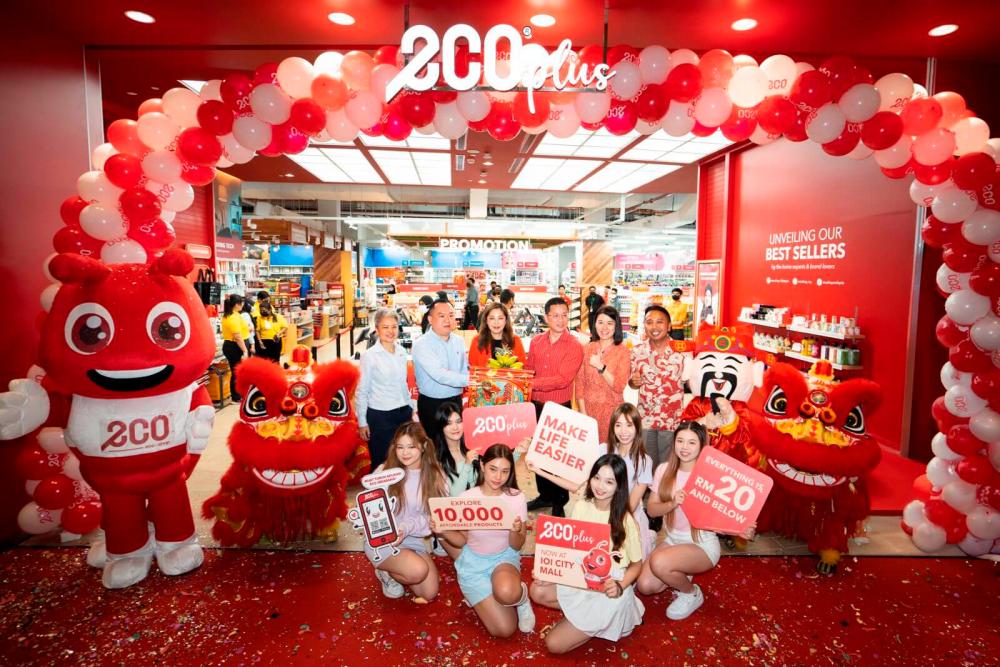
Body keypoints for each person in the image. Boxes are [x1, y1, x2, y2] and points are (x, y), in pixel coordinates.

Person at [637, 421, 755, 619]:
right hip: (672, 539)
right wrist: (672, 503)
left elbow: (722, 513)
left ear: (702, 446)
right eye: (680, 440)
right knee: (645, 585)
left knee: (658, 563)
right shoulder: (664, 470)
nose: (684, 447)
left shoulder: (711, 474)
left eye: (691, 443)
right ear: (674, 442)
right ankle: (678, 566)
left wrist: (740, 529)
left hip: (701, 543)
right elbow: (652, 509)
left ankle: (691, 593)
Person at [529, 454, 645, 654]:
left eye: (609, 481)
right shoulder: (582, 505)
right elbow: (569, 550)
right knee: (536, 590)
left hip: (607, 591)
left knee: (553, 645)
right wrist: (548, 572)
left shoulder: (625, 521)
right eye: (597, 478)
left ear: (619, 486)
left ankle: (597, 621)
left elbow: (637, 564)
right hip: (580, 579)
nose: (600, 486)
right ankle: (580, 619)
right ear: (590, 478)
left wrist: (620, 586)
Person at [434, 445, 535, 637]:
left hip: (504, 558)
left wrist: (514, 530)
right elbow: (462, 540)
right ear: (482, 465)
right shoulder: (467, 497)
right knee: (505, 630)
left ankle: (521, 598)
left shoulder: (516, 498)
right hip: (473, 564)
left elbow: (517, 545)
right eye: (493, 469)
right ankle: (490, 592)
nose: (498, 477)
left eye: (505, 471)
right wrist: (444, 531)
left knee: (507, 593)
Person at [367, 423, 447, 601]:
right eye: (400, 447)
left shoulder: (436, 475)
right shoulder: (384, 472)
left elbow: (433, 516)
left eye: (411, 447)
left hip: (412, 536)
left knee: (429, 593)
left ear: (424, 446)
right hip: (384, 539)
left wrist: (405, 528)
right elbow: (370, 511)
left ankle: (398, 566)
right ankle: (385, 572)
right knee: (417, 571)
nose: (405, 453)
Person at [525, 298, 583, 517]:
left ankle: (560, 500)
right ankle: (545, 495)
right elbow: (530, 370)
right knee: (538, 452)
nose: (561, 320)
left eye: (565, 315)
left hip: (560, 408)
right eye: (556, 315)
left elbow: (563, 379)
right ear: (547, 316)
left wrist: (531, 384)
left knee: (558, 456)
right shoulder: (536, 341)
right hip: (535, 405)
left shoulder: (575, 345)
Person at [629, 305, 686, 474]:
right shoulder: (637, 351)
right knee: (647, 461)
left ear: (669, 326)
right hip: (646, 417)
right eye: (649, 322)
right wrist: (633, 382)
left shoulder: (682, 352)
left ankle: (665, 495)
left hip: (672, 419)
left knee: (669, 465)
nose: (654, 327)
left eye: (660, 322)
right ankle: (646, 494)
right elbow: (632, 383)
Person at [356, 308, 415, 471]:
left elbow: (402, 384)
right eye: (385, 327)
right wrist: (362, 421)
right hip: (380, 416)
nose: (390, 331)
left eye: (394, 326)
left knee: (404, 460)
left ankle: (401, 495)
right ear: (377, 329)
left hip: (403, 414)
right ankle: (381, 495)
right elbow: (362, 390)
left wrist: (411, 406)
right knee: (382, 462)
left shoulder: (402, 352)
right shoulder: (370, 356)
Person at [412, 299, 470, 442]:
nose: (447, 320)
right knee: (435, 446)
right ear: (430, 319)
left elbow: (464, 369)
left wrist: (472, 377)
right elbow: (439, 374)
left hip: (456, 401)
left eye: (451, 315)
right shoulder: (422, 344)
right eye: (441, 316)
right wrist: (472, 380)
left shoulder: (459, 341)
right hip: (432, 404)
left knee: (456, 444)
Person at [606, 404, 655, 557]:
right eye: (618, 425)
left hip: (627, 519)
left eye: (629, 425)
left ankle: (649, 538)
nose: (623, 431)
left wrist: (609, 525)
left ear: (637, 428)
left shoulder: (644, 461)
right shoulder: (603, 450)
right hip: (603, 513)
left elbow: (631, 505)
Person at [576, 305, 630, 439]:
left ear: (616, 325)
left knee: (609, 455)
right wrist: (583, 415)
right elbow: (580, 384)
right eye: (600, 322)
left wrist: (601, 367)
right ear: (594, 324)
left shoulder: (623, 351)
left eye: (609, 323)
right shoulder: (587, 349)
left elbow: (619, 386)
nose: (604, 328)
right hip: (587, 411)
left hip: (612, 414)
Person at [468, 302, 526, 367]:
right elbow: (472, 369)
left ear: (506, 320)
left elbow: (523, 367)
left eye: (500, 318)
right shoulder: (477, 341)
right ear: (486, 321)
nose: (496, 322)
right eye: (492, 318)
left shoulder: (515, 340)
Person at [221, 294, 249, 402]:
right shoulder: (232, 317)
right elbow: (237, 336)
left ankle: (239, 393)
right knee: (237, 372)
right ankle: (236, 397)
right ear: (237, 304)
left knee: (239, 371)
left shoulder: (234, 314)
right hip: (235, 347)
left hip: (237, 345)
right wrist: (244, 350)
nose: (242, 305)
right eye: (241, 303)